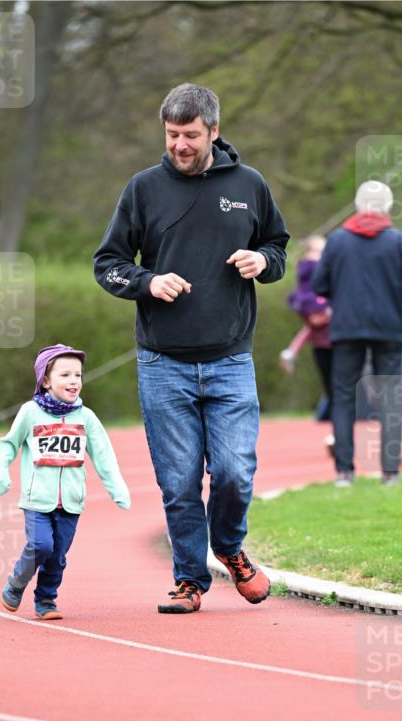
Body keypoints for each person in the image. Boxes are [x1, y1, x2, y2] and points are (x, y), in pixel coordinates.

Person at [93, 82, 289, 614]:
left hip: (230, 358)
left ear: (214, 131)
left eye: (191, 135)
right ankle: (188, 580)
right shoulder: (142, 189)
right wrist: (147, 282)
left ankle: (228, 547)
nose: (180, 144)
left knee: (234, 472)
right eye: (172, 134)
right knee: (179, 484)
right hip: (163, 363)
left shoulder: (250, 185)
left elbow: (277, 247)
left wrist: (262, 263)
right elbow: (107, 264)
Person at [0, 344, 131, 620]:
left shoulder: (85, 417)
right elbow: (8, 444)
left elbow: (103, 454)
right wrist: (0, 471)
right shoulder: (30, 412)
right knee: (41, 545)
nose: (73, 381)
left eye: (77, 375)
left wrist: (117, 488)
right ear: (45, 380)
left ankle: (46, 600)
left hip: (71, 501)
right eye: (65, 375)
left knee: (57, 557)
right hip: (36, 500)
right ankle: (16, 584)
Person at [312, 181, 402, 486]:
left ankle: (344, 472)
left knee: (344, 396)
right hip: (389, 328)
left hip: (347, 327)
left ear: (358, 205)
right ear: (387, 206)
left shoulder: (337, 240)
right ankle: (390, 472)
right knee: (389, 397)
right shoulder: (399, 240)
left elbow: (320, 285)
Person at [280, 234, 334, 454]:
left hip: (327, 338)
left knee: (337, 392)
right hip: (332, 340)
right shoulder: (315, 272)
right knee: (340, 392)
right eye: (319, 251)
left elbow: (311, 323)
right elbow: (315, 319)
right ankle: (340, 437)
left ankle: (339, 436)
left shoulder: (308, 276)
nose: (321, 256)